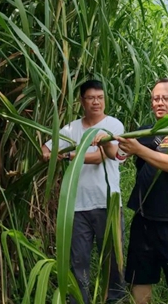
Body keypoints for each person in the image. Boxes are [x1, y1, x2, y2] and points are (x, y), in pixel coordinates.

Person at [114, 78, 168, 304]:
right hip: (144, 218)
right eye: (155, 98)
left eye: (166, 98)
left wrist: (139, 149)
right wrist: (104, 142)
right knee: (139, 280)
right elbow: (119, 156)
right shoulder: (144, 131)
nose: (159, 103)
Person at [41, 79, 125, 304]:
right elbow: (47, 147)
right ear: (82, 101)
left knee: (113, 263)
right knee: (79, 264)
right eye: (91, 98)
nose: (96, 102)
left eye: (100, 97)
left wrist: (68, 155)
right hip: (77, 208)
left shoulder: (113, 126)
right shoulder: (72, 128)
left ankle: (114, 301)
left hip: (108, 204)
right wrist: (49, 153)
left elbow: (102, 156)